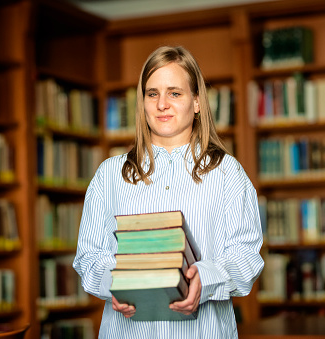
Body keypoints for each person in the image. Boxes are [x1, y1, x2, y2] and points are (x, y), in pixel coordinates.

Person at [73, 45, 264, 339]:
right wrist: (115, 282)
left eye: (175, 93)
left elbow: (246, 258)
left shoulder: (228, 173)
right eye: (152, 93)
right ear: (143, 102)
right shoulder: (109, 175)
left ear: (197, 102)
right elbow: (88, 257)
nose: (162, 104)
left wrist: (206, 278)